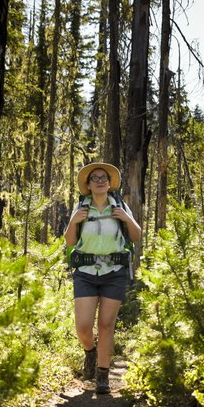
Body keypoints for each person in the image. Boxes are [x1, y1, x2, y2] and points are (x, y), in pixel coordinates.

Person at [64, 162, 141, 394]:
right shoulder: (81, 208)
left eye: (104, 178)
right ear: (88, 185)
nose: (100, 181)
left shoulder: (120, 206)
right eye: (95, 178)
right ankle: (90, 352)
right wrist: (74, 221)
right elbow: (69, 241)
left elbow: (136, 236)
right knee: (83, 327)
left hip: (114, 273)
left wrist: (126, 219)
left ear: (109, 184)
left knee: (106, 325)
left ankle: (103, 376)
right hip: (86, 273)